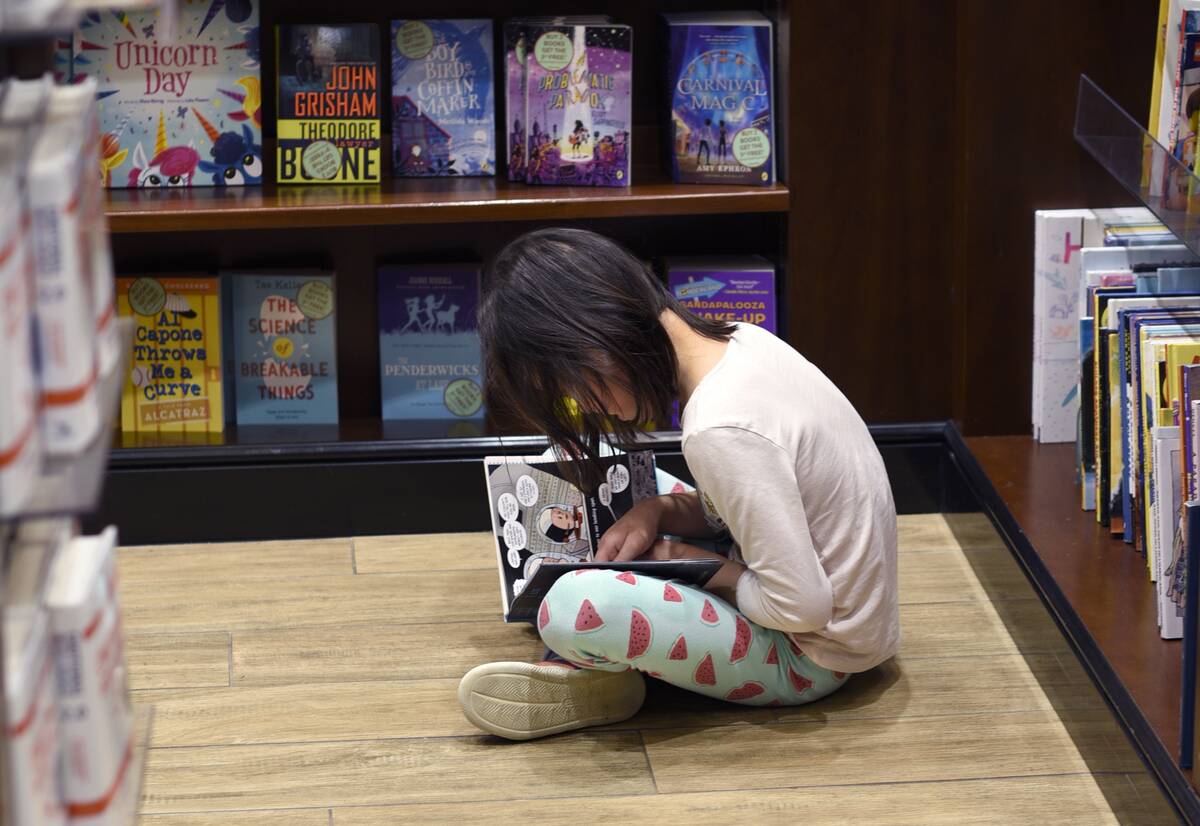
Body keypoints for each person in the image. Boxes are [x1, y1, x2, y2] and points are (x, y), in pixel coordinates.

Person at [458, 228, 899, 740]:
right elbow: (754, 503)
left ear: (595, 339)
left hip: (813, 655)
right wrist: (660, 513)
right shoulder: (740, 341)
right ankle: (606, 654)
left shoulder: (719, 428)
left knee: (571, 605)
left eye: (568, 384)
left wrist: (697, 565)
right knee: (571, 463)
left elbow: (801, 606)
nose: (583, 405)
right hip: (828, 603)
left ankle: (592, 670)